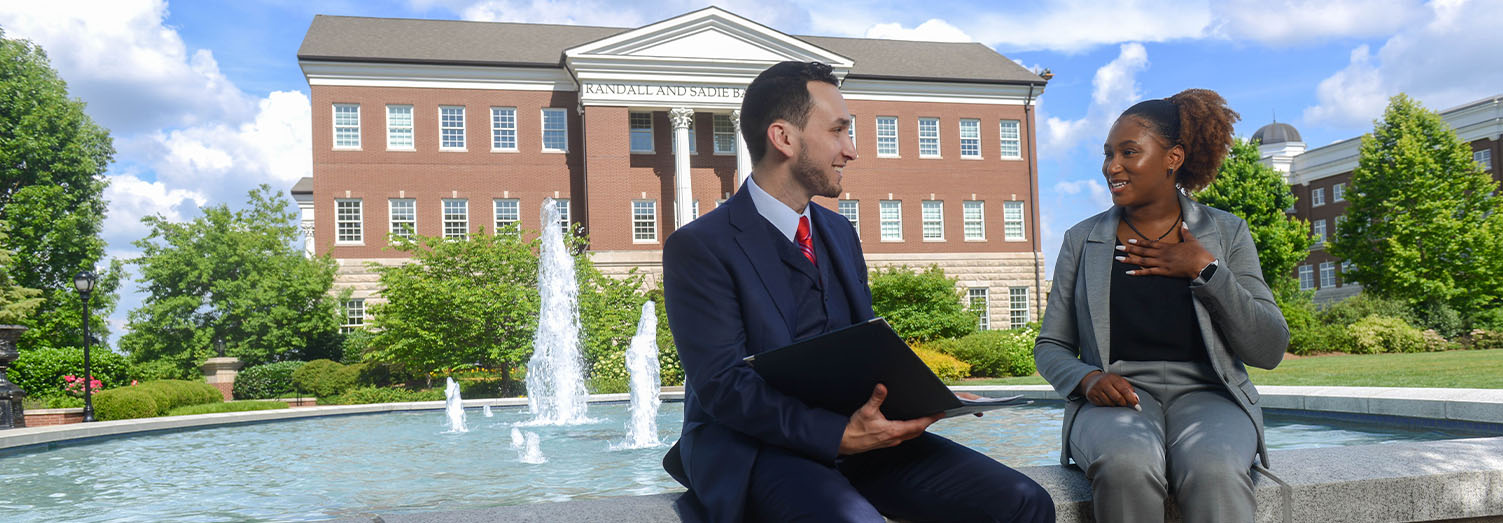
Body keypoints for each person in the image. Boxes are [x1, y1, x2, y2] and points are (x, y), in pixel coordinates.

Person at [660, 61, 1054, 523]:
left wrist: (923, 395)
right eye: (839, 131)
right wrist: (837, 435)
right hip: (757, 448)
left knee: (1024, 501)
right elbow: (723, 387)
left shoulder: (839, 232)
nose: (851, 151)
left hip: (863, 439)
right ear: (783, 138)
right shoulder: (699, 246)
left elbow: (860, 350)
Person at [1033, 89, 1289, 522]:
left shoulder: (1227, 233)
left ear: (1173, 157)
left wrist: (1205, 270)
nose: (1111, 167)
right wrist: (1088, 378)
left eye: (1128, 152)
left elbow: (1269, 348)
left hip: (1210, 394)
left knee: (1217, 469)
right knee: (1127, 465)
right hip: (1117, 400)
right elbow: (1051, 345)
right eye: (1108, 154)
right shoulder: (1082, 240)